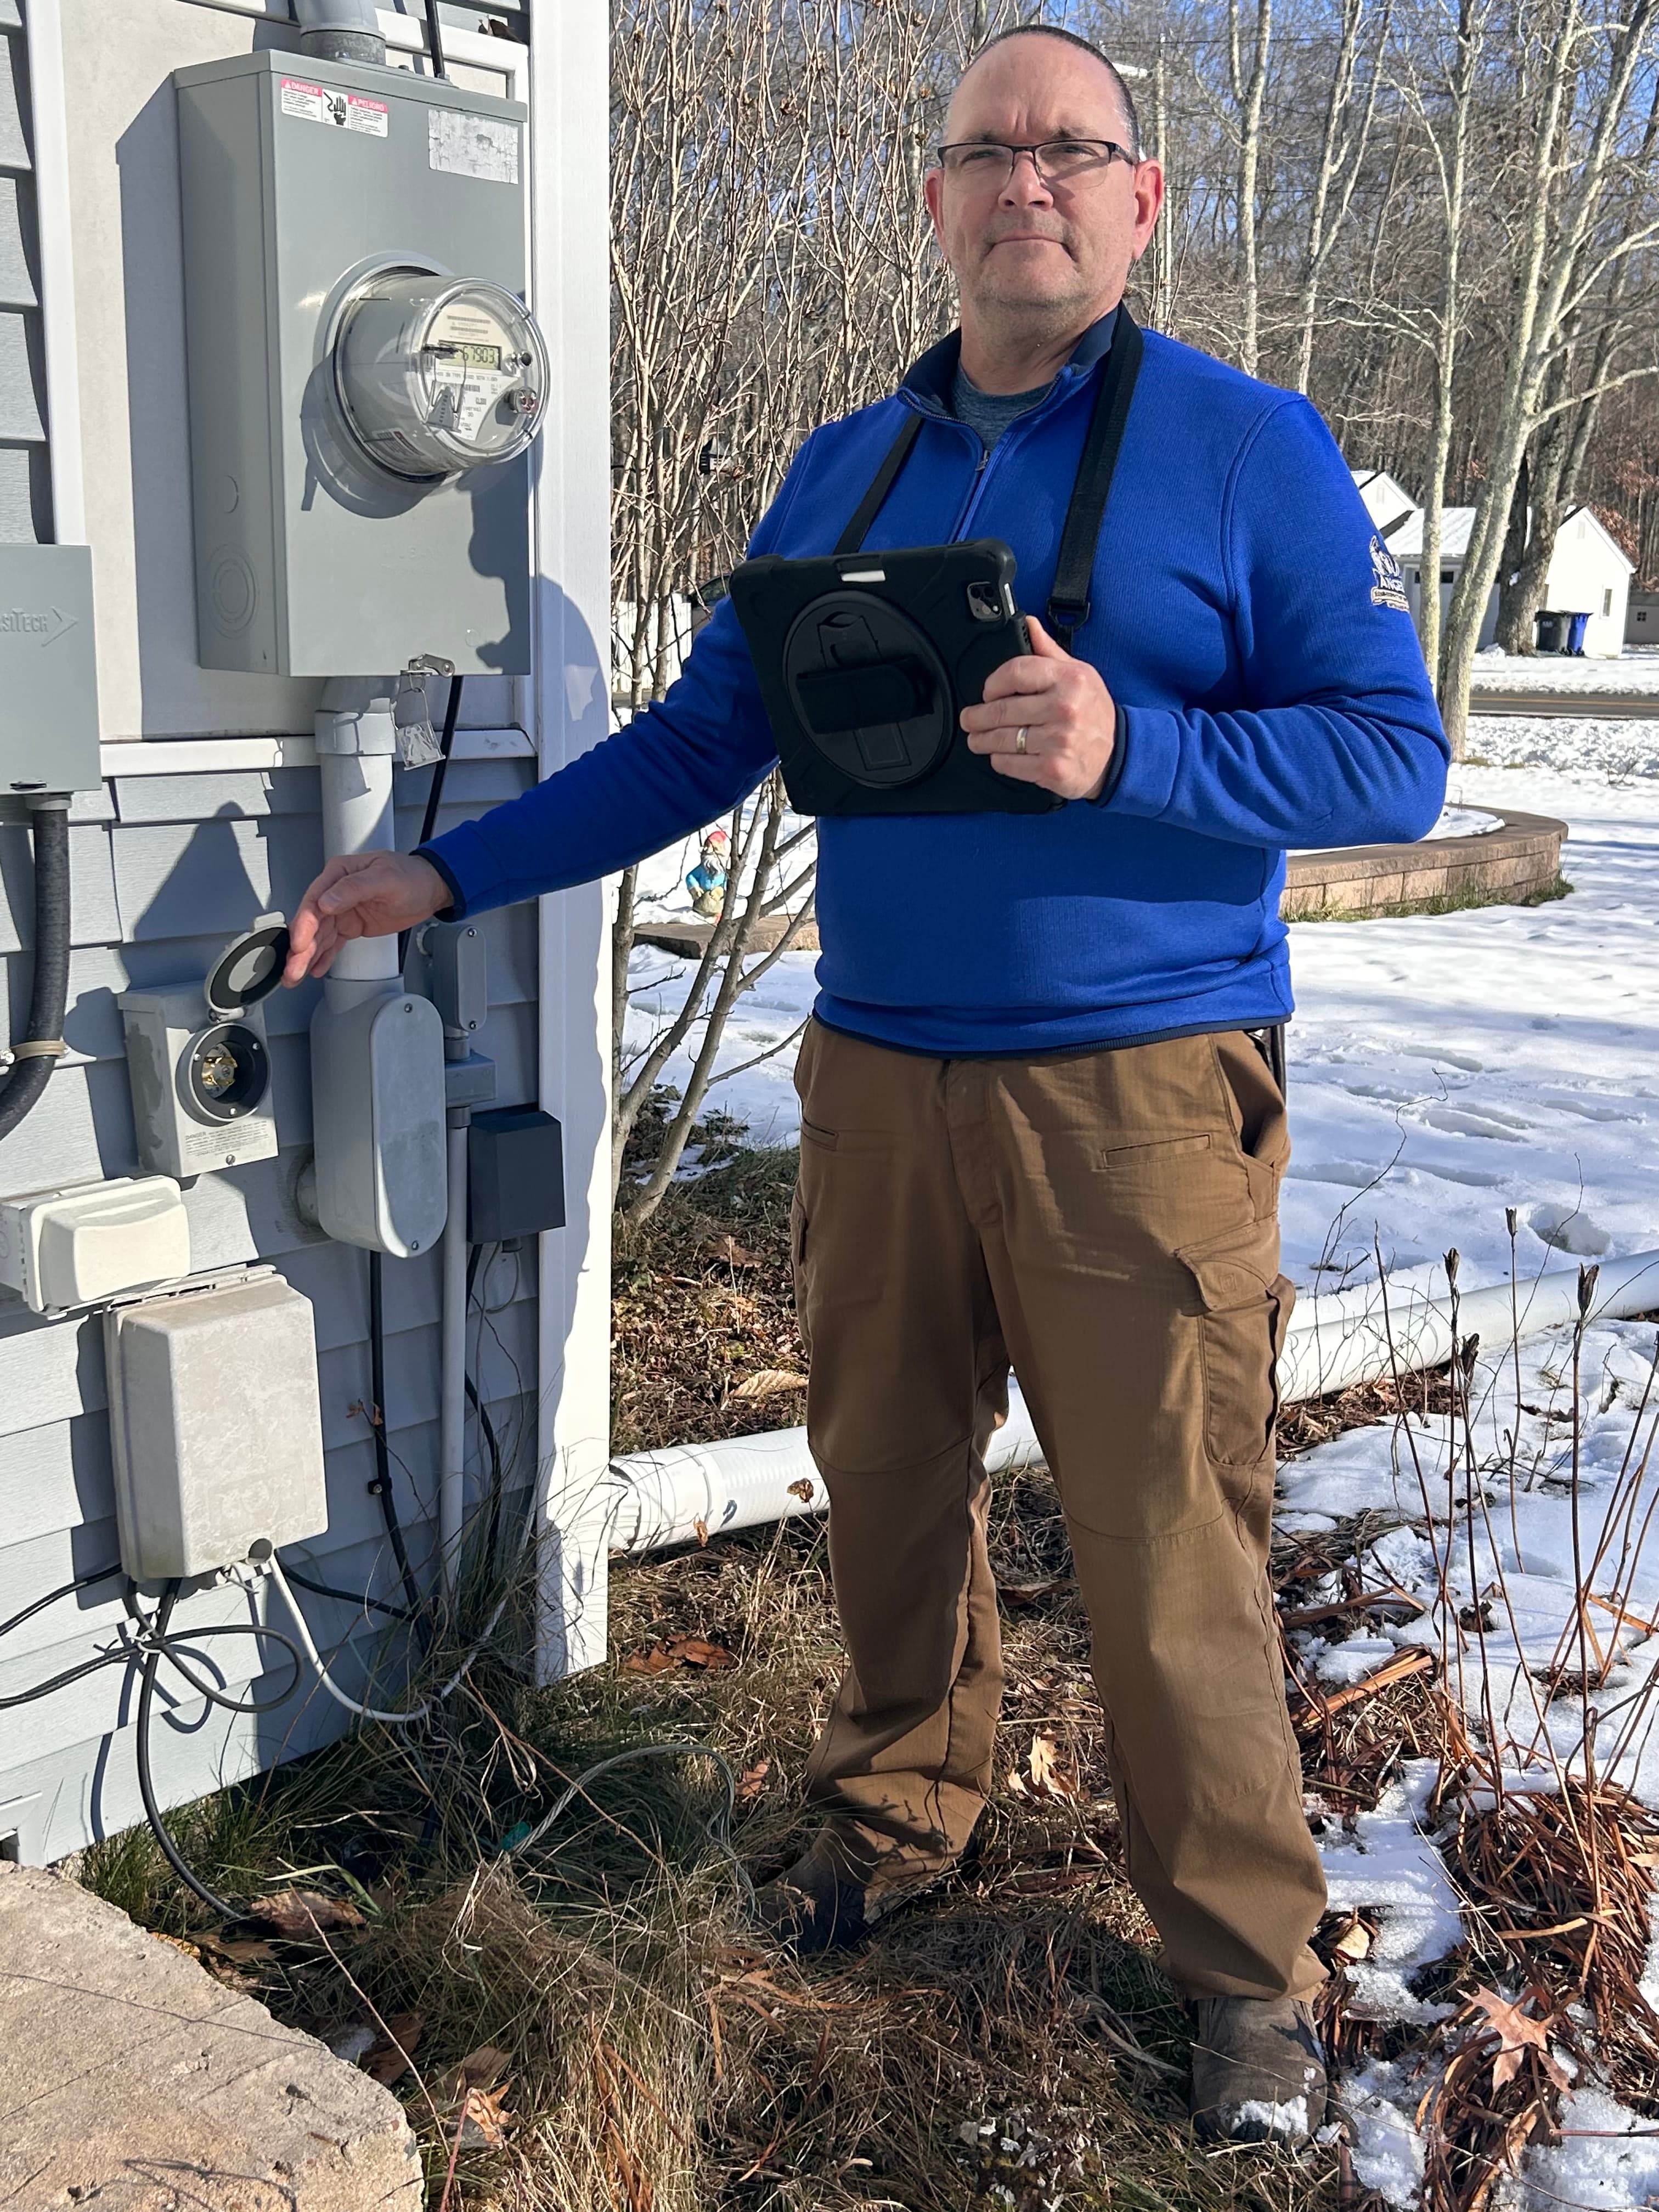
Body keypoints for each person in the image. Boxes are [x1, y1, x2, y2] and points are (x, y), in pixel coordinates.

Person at [284, 23, 1449, 2145]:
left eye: (1073, 151)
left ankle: (1248, 1969)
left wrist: (1140, 750)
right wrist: (439, 871)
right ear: (933, 201)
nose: (1029, 184)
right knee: (887, 1478)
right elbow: (696, 747)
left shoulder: (1243, 448)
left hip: (1140, 1100)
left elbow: (1396, 758)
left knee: (1165, 1539)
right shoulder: (847, 470)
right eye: (988, 152)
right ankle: (899, 1811)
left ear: (1138, 199)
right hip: (879, 1081)